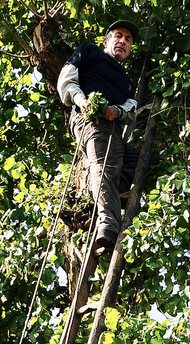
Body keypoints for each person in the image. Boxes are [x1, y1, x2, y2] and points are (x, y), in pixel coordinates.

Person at [57, 21, 139, 249]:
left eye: (128, 39)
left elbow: (131, 107)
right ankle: (108, 225)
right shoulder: (89, 51)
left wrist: (118, 110)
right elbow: (67, 78)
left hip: (113, 127)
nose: (123, 41)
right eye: (118, 36)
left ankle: (116, 192)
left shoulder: (127, 81)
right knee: (102, 167)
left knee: (144, 161)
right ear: (107, 41)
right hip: (90, 119)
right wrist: (82, 101)